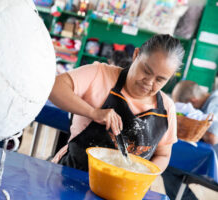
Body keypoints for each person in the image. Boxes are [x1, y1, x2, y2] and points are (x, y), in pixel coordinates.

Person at [49, 34, 184, 172]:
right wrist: (92, 112)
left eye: (160, 80)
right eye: (146, 71)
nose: (149, 82)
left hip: (125, 189)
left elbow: (163, 155)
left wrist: (142, 177)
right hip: (72, 175)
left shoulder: (166, 108)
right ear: (136, 54)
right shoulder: (99, 74)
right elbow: (53, 88)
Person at [162, 80, 218, 200]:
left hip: (214, 166)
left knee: (168, 163)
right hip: (206, 159)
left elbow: (213, 138)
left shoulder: (215, 101)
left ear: (193, 101)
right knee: (165, 159)